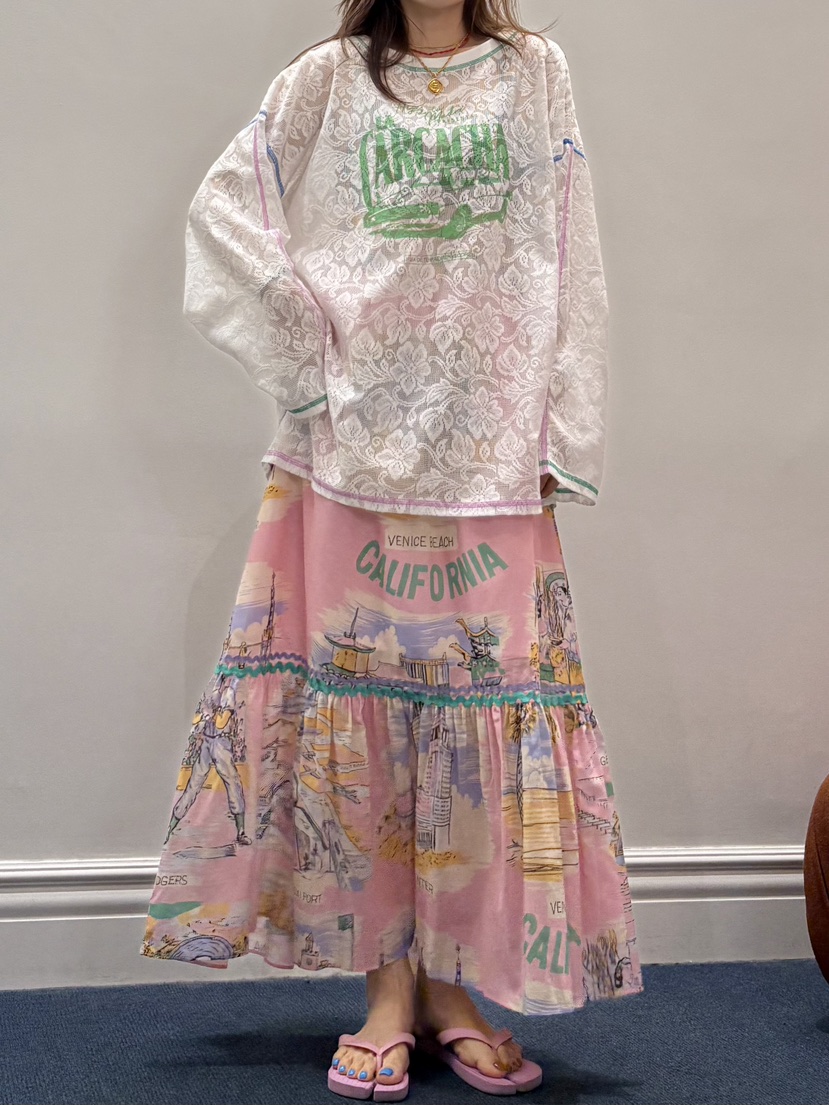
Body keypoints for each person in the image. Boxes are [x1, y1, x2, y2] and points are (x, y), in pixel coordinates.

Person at [140, 0, 645, 1098]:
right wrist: (309, 362)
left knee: (472, 716)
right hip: (348, 445)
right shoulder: (326, 78)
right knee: (359, 726)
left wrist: (563, 426)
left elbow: (570, 243)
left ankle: (452, 988)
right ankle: (385, 990)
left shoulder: (533, 72)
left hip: (491, 445)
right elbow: (227, 207)